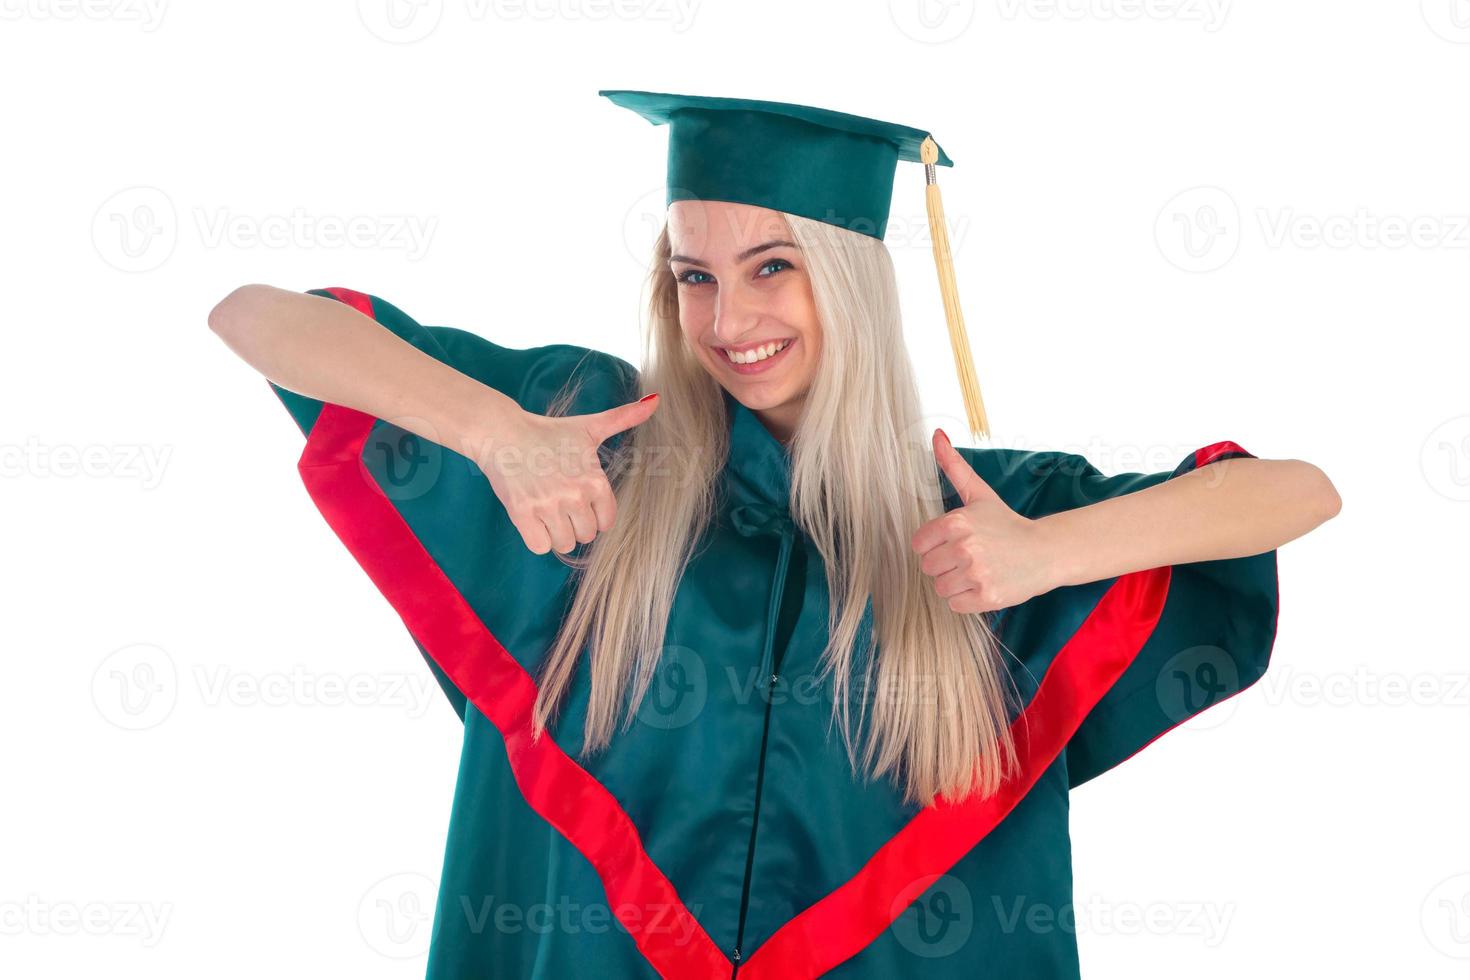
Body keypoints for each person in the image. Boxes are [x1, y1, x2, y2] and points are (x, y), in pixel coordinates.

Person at [208, 89, 1340, 979]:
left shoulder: (982, 517)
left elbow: (1294, 491)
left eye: (772, 268)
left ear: (849, 280)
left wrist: (1049, 554)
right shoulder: (589, 444)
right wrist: (494, 434)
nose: (729, 321)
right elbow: (256, 317)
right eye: (694, 276)